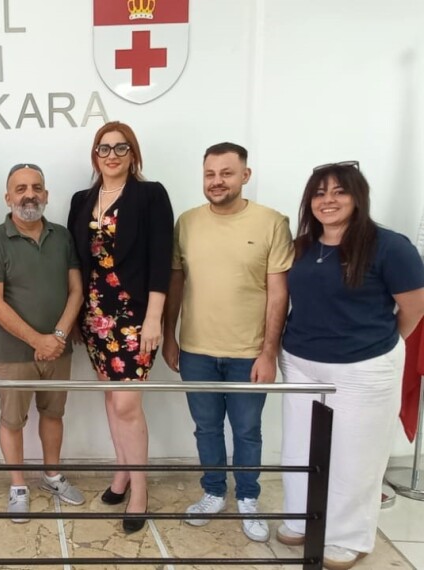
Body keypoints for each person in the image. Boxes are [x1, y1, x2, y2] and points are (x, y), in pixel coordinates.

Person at [278, 162, 424, 570]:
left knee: (355, 456)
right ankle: (299, 518)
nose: (329, 200)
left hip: (364, 367)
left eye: (339, 191)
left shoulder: (389, 246)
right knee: (299, 446)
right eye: (320, 193)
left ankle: (347, 538)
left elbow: (413, 309)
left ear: (358, 197)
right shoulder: (303, 245)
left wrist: (374, 341)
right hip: (301, 361)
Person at [162, 142, 293, 542]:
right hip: (197, 350)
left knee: (248, 430)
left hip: (248, 353)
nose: (217, 182)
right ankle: (214, 491)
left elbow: (278, 293)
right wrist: (170, 336)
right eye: (210, 174)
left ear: (245, 176)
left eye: (226, 173)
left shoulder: (271, 222)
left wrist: (269, 352)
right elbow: (176, 282)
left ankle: (248, 498)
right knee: (206, 428)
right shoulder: (186, 222)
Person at [67, 121, 173, 533]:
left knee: (128, 404)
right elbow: (75, 262)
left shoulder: (150, 195)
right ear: (95, 155)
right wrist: (76, 316)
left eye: (120, 148)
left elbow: (162, 259)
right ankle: (122, 473)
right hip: (95, 316)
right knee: (112, 400)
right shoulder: (81, 199)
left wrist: (154, 318)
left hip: (134, 317)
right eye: (103, 148)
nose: (111, 155)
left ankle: (140, 490)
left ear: (133, 154)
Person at [0, 163, 85, 522]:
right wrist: (37, 339)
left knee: (54, 415)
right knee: (12, 421)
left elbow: (76, 291)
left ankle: (52, 476)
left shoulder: (63, 236)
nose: (30, 194)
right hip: (14, 352)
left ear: (46, 195)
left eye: (37, 187)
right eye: (20, 188)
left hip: (58, 350)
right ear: (8, 197)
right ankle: (18, 487)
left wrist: (56, 337)